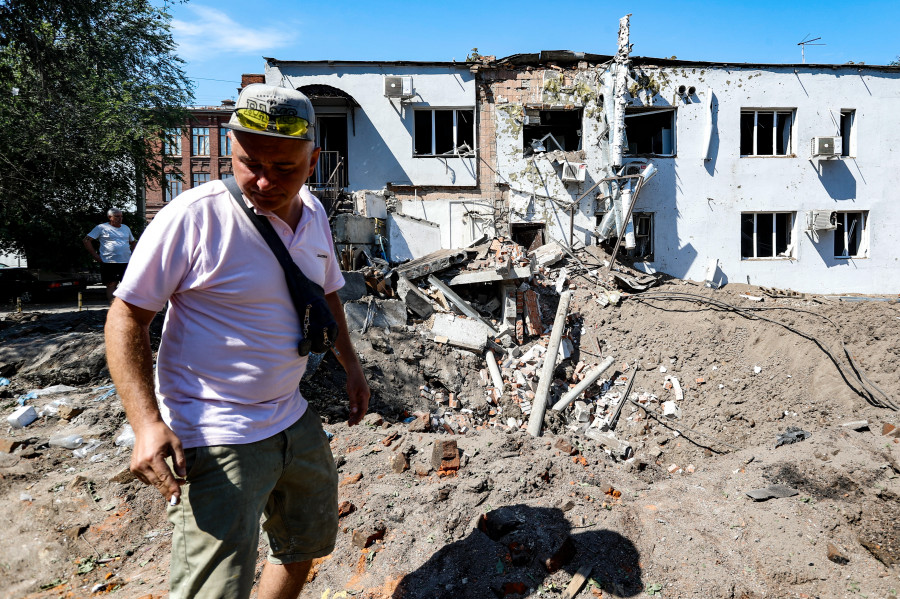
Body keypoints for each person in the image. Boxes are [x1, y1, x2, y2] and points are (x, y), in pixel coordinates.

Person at [104, 84, 370, 599]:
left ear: (313, 161)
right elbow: (126, 317)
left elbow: (327, 295)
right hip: (215, 432)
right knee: (213, 591)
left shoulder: (313, 214)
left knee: (302, 543)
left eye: (285, 168)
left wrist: (351, 366)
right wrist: (144, 424)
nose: (264, 180)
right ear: (232, 148)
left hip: (292, 417)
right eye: (250, 163)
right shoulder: (193, 216)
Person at [83, 208, 136, 302]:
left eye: (121, 216)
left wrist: (135, 255)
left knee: (127, 284)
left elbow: (132, 242)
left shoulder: (126, 228)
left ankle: (127, 306)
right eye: (117, 216)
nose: (120, 218)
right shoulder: (101, 227)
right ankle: (112, 307)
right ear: (110, 217)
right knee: (111, 284)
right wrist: (95, 255)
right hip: (109, 261)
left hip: (126, 261)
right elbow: (86, 240)